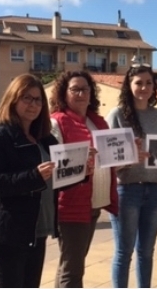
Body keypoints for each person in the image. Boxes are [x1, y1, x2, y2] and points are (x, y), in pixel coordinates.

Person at [0, 74, 60, 288]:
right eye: (27, 98)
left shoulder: (46, 138)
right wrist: (33, 176)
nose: (33, 104)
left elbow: (56, 180)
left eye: (38, 99)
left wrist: (82, 170)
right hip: (8, 232)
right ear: (13, 99)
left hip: (38, 229)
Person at [50, 70, 118, 288]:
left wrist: (129, 154)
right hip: (71, 203)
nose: (80, 94)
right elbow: (56, 164)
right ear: (64, 93)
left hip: (93, 202)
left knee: (72, 263)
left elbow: (108, 160)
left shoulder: (98, 122)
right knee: (73, 268)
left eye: (85, 89)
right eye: (74, 89)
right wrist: (80, 160)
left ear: (91, 93)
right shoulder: (57, 122)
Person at [106, 64, 157, 288]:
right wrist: (130, 158)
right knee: (124, 252)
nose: (144, 87)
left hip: (154, 190)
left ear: (154, 87)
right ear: (129, 85)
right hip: (126, 190)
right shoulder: (117, 114)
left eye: (148, 83)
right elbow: (107, 160)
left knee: (147, 252)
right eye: (138, 82)